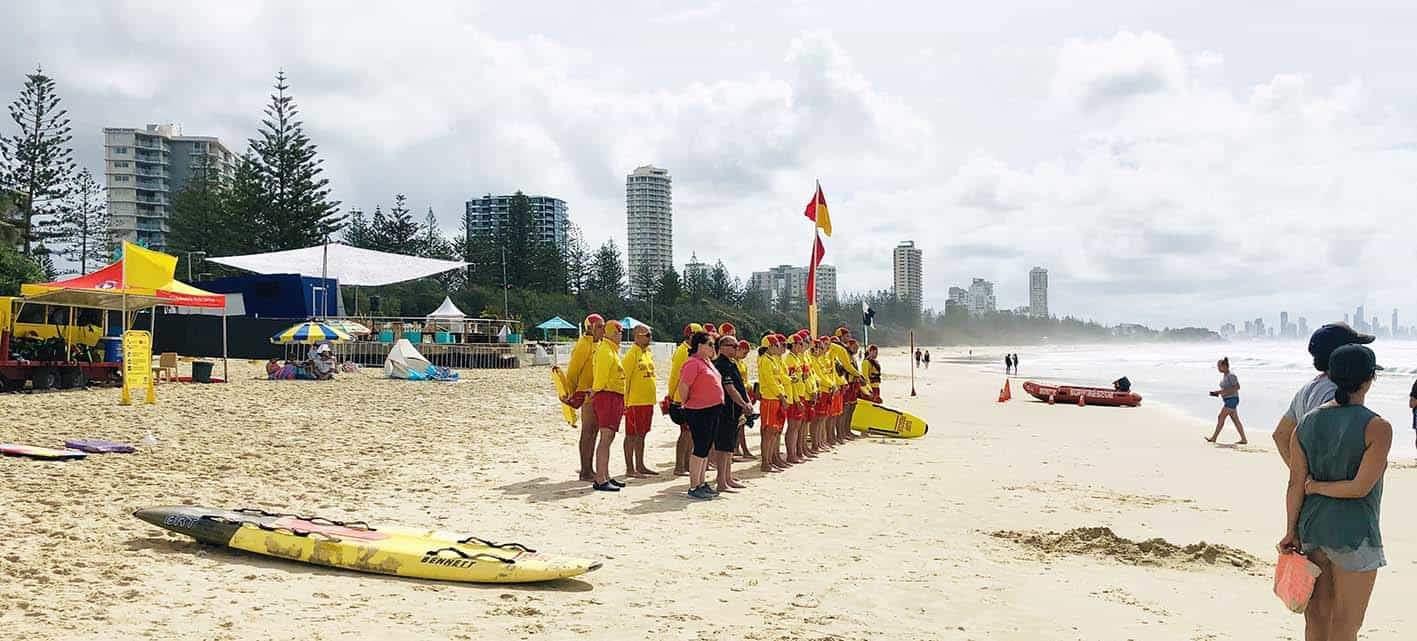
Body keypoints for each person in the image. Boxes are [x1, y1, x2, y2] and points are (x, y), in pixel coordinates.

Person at [1280, 344, 1391, 641]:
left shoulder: (1306, 423)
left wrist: (1290, 531)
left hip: (1312, 529)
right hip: (1355, 534)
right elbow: (1359, 488)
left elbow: (1294, 484)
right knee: (1345, 626)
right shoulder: (1377, 427)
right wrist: (1319, 487)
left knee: (1315, 621)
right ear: (1369, 380)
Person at [1274, 323, 1375, 468]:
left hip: (1314, 487)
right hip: (1335, 488)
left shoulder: (1308, 388)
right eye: (1356, 348)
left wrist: (1301, 475)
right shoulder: (1337, 392)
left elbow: (1281, 435)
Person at [677, 332, 723, 499]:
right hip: (698, 410)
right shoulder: (693, 363)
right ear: (700, 345)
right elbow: (684, 386)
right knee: (700, 447)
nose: (713, 348)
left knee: (706, 446)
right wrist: (687, 403)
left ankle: (702, 482)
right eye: (709, 344)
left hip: (712, 409)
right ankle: (694, 485)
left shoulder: (707, 362)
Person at [563, 314, 606, 481]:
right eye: (600, 327)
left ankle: (589, 467)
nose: (603, 330)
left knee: (594, 431)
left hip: (596, 393)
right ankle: (585, 470)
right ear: (590, 328)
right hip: (585, 394)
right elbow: (573, 372)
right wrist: (572, 394)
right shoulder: (583, 345)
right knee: (588, 431)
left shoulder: (598, 344)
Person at [712, 335, 754, 492]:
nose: (736, 349)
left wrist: (747, 401)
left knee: (730, 446)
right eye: (733, 346)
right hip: (725, 410)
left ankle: (727, 477)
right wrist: (744, 404)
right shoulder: (721, 364)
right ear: (722, 347)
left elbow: (740, 386)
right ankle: (722, 481)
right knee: (723, 447)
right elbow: (730, 389)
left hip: (734, 411)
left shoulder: (731, 363)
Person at [589, 320, 626, 492]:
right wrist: (595, 391)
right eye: (618, 332)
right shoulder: (605, 350)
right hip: (607, 395)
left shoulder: (611, 349)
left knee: (608, 438)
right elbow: (601, 378)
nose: (621, 334)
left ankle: (605, 475)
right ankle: (600, 478)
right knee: (606, 438)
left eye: (621, 332)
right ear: (609, 333)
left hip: (613, 395)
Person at [665, 323, 703, 476]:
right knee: (685, 432)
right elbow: (675, 376)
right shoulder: (682, 352)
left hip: (691, 397)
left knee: (691, 433)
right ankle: (679, 466)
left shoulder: (691, 351)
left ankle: (686, 464)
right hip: (682, 398)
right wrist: (671, 395)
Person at [622, 325, 658, 479]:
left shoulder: (647, 353)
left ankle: (640, 464)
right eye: (646, 335)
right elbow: (625, 380)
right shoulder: (631, 355)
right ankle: (630, 468)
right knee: (631, 435)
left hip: (647, 401)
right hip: (634, 402)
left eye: (650, 334)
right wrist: (625, 403)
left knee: (642, 434)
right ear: (636, 336)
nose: (649, 337)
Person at [1206, 357, 1247, 445]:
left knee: (1221, 416)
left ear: (1224, 366)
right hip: (1228, 400)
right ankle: (1244, 439)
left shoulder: (1231, 375)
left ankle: (1214, 438)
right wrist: (1218, 393)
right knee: (1235, 420)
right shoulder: (1225, 376)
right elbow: (1227, 388)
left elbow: (1237, 387)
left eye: (1219, 366)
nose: (1217, 368)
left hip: (1232, 400)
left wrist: (1220, 392)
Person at [783, 333, 809, 465]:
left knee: (798, 426)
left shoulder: (797, 358)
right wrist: (797, 400)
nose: (802, 346)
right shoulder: (789, 360)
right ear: (792, 345)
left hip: (801, 394)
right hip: (794, 397)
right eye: (799, 343)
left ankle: (797, 451)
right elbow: (790, 383)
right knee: (793, 426)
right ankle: (791, 454)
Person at [734, 338, 755, 461]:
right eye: (744, 353)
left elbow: (744, 381)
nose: (745, 356)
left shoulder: (741, 363)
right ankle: (739, 449)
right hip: (738, 396)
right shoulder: (733, 363)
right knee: (738, 425)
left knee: (742, 424)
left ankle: (740, 449)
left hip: (744, 394)